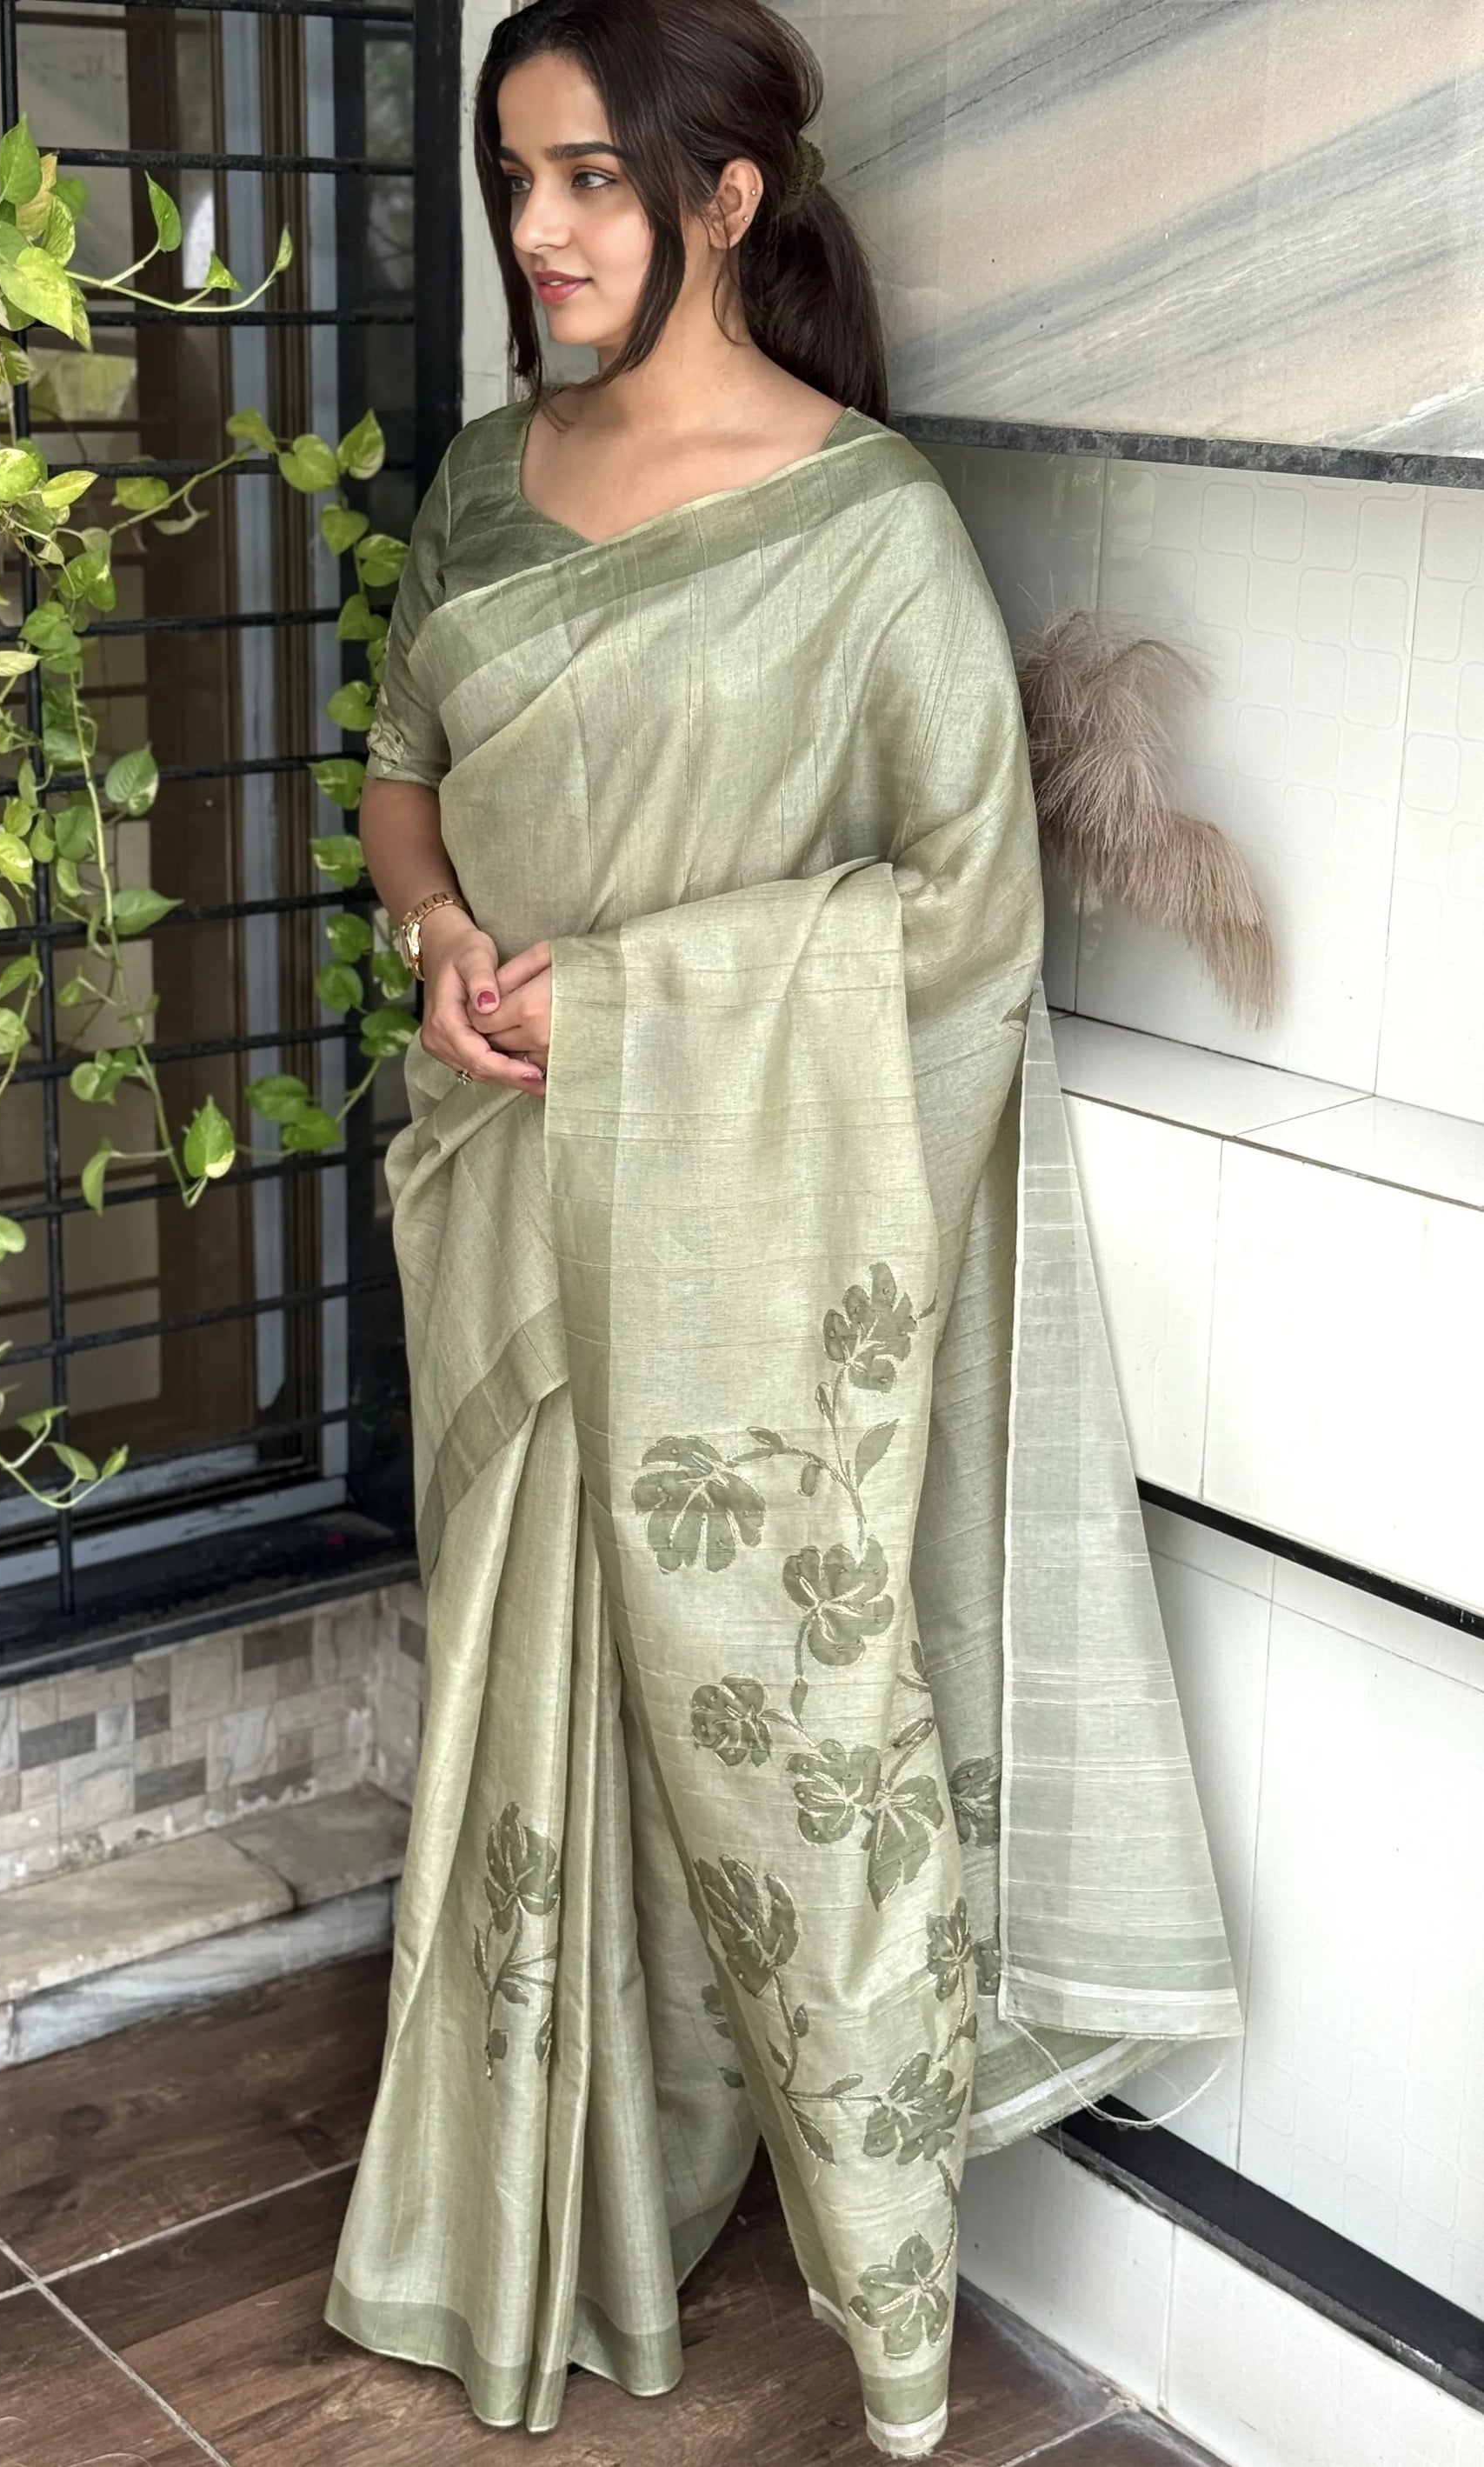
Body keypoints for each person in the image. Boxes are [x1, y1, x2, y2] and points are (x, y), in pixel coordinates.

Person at [323, 0, 1242, 2455]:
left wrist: (635, 1001)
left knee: (772, 1726)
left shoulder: (867, 533)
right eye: (515, 179)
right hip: (510, 1195)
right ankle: (549, 2208)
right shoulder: (486, 480)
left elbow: (961, 924)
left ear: (722, 200)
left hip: (729, 1229)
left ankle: (883, 2293)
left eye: (588, 180)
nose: (537, 232)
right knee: (535, 1699)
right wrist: (440, 939)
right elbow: (402, 777)